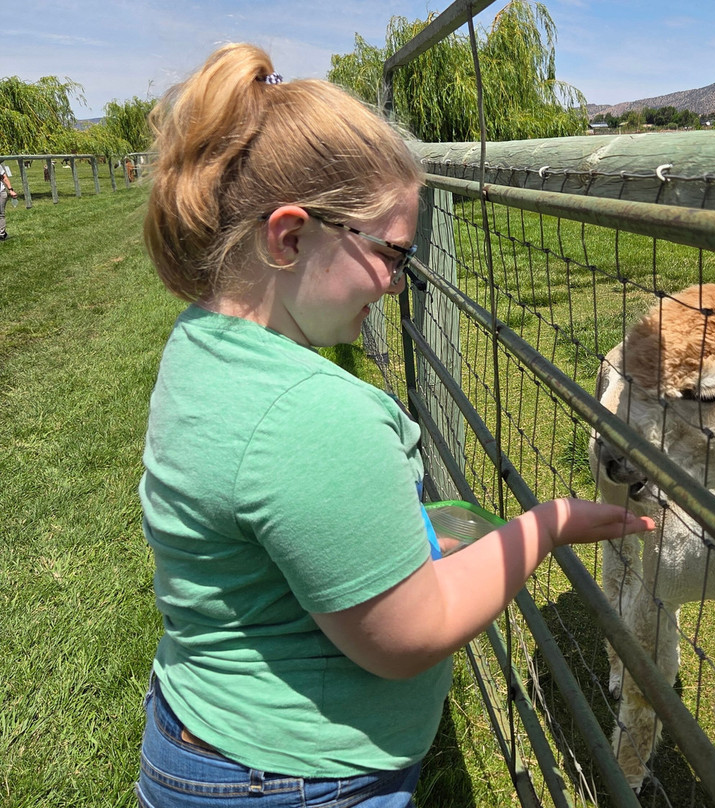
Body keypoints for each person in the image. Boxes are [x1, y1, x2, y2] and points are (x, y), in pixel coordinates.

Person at [136, 43, 654, 808]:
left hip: (205, 739)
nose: (396, 282)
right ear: (289, 238)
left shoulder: (205, 350)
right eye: (391, 254)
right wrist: (548, 526)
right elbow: (412, 634)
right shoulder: (311, 415)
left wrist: (406, 537)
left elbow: (280, 532)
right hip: (295, 778)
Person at [0, 162, 16, 240]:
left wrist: (10, 190)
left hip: (0, 192)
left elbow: (4, 177)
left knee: (0, 213)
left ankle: (2, 234)